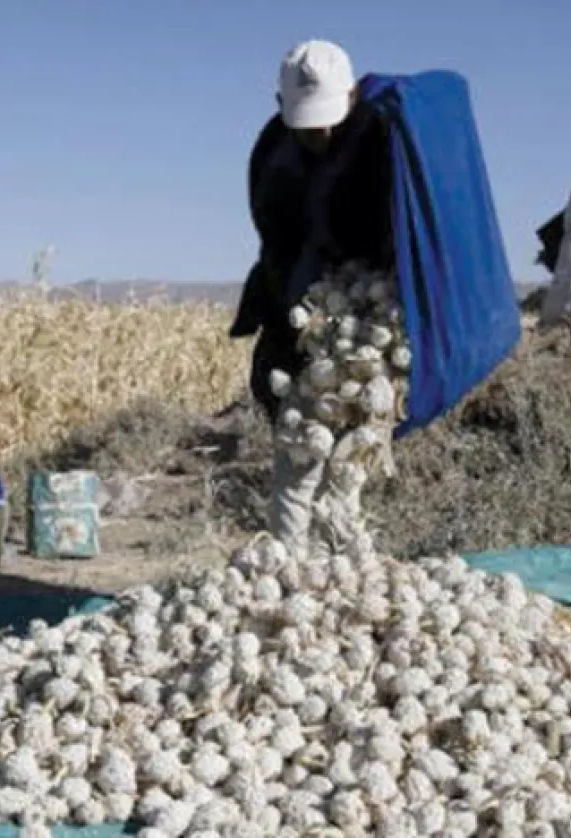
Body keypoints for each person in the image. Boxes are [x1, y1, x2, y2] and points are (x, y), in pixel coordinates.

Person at [229, 39, 395, 553]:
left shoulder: (378, 138)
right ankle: (290, 570)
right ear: (281, 107)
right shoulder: (272, 153)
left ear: (350, 96)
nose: (320, 133)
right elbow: (274, 238)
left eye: (328, 118)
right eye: (307, 123)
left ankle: (338, 571)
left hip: (364, 318)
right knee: (298, 453)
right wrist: (303, 305)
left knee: (349, 461)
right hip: (298, 311)